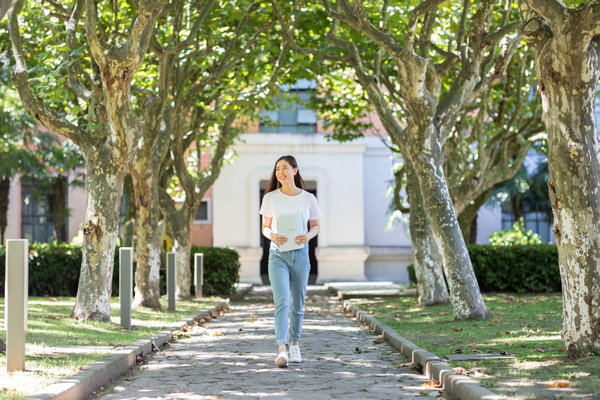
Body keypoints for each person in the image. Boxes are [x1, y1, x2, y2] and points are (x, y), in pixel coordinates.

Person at [259, 155, 321, 368]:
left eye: (285, 167)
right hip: (278, 255)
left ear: (295, 171)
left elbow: (315, 226)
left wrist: (308, 236)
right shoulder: (270, 198)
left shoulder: (308, 199)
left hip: (301, 255)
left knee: (298, 303)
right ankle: (282, 349)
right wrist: (272, 236)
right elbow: (265, 228)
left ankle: (295, 344)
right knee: (282, 302)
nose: (280, 172)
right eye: (277, 169)